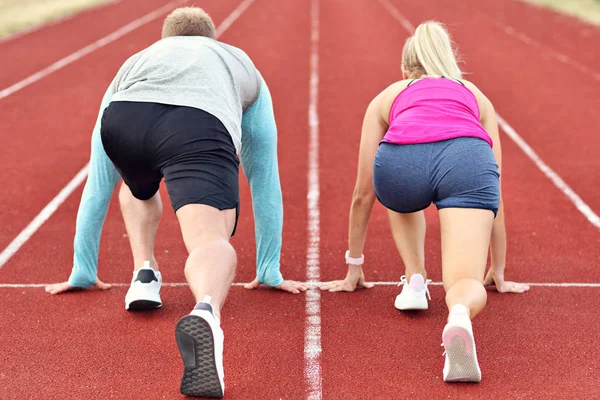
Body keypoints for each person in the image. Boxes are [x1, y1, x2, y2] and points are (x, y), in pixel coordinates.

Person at [44, 7, 306, 397]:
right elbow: (263, 174)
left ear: (165, 40)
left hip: (124, 119)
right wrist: (268, 268)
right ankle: (205, 312)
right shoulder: (237, 61)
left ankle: (144, 276)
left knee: (136, 188)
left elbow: (97, 183)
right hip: (196, 123)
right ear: (212, 39)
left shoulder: (138, 60)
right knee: (209, 236)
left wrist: (83, 269)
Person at [321, 21, 529, 383]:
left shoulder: (390, 94)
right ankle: (460, 314)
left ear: (405, 70)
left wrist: (353, 266)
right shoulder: (475, 95)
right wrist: (499, 268)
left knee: (402, 195)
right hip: (467, 162)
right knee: (464, 279)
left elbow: (362, 193)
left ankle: (415, 280)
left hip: (402, 165)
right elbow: (494, 187)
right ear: (449, 61)